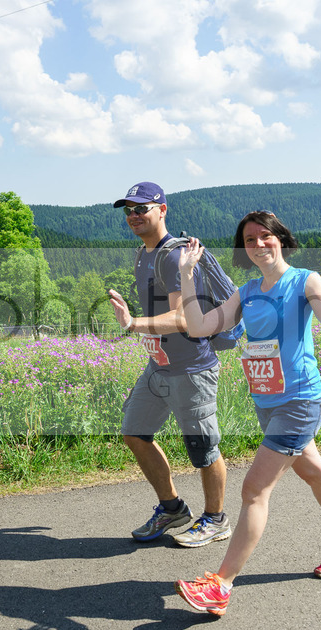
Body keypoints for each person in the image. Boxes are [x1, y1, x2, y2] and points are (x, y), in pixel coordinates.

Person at [173, 211, 321, 616]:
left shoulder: (304, 281)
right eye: (249, 240)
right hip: (267, 403)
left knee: (253, 490)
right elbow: (199, 327)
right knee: (315, 473)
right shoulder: (247, 292)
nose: (258, 245)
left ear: (281, 239)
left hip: (301, 402)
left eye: (265, 236)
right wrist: (187, 274)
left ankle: (221, 584)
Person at [106, 181, 231, 548]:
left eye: (142, 208)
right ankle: (173, 507)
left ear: (162, 210)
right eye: (129, 210)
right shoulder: (143, 253)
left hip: (192, 367)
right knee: (135, 432)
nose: (134, 216)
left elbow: (182, 318)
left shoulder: (173, 256)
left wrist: (132, 324)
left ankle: (216, 519)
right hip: (158, 365)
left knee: (202, 447)